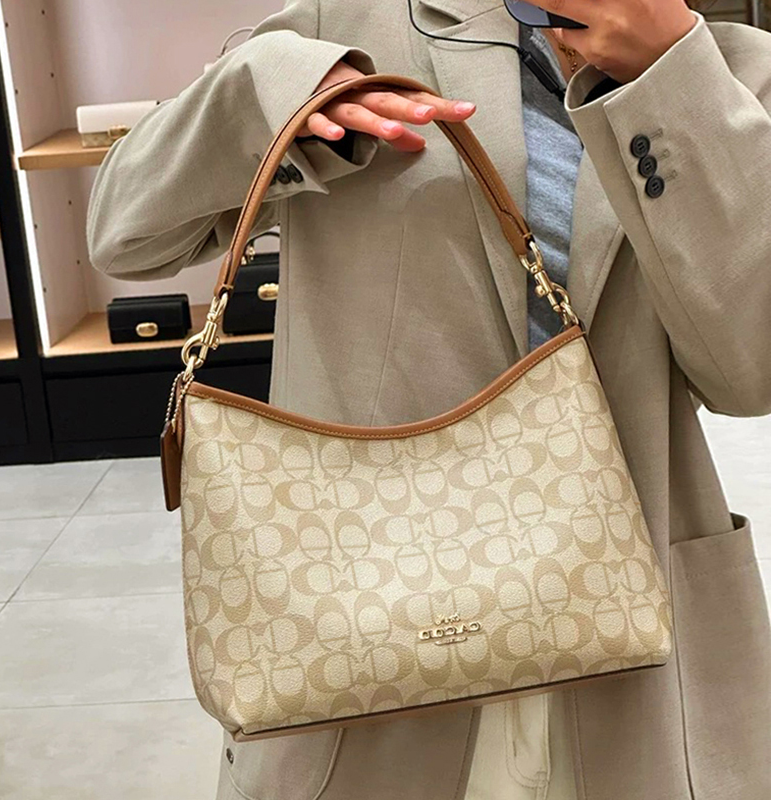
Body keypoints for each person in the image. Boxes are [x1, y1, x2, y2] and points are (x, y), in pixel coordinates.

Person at [85, 1, 771, 798]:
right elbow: (123, 231)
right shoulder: (349, 24)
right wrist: (268, 88)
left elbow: (749, 376)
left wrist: (667, 75)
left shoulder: (729, 74)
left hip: (631, 629)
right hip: (368, 621)